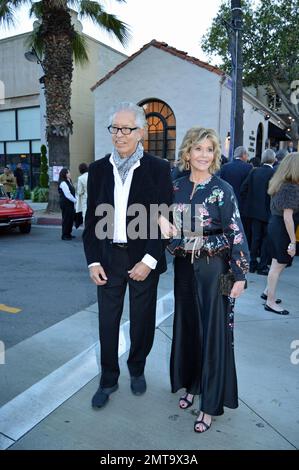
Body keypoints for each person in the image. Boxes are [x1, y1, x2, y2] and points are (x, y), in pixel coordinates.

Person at [83, 102, 173, 409]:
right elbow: (92, 222)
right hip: (108, 259)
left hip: (142, 260)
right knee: (107, 322)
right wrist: (93, 261)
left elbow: (163, 220)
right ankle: (108, 380)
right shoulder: (97, 170)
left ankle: (137, 370)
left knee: (142, 321)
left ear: (141, 133)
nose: (119, 135)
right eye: (115, 129)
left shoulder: (159, 170)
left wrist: (148, 262)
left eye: (127, 129)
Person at [161, 127, 249, 433]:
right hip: (185, 267)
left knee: (214, 332)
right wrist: (163, 224)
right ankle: (192, 384)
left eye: (209, 150)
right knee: (189, 327)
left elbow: (236, 231)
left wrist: (240, 274)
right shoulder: (175, 187)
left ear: (215, 155)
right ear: (187, 152)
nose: (203, 155)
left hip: (217, 268)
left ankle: (210, 405)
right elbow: (160, 218)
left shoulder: (222, 189)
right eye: (198, 149)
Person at [262, 153, 299, 315]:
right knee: (277, 265)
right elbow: (288, 216)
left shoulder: (280, 183)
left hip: (275, 225)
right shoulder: (290, 187)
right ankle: (270, 301)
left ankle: (267, 292)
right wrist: (293, 241)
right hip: (282, 228)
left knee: (277, 263)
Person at [241, 149, 276, 275]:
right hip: (268, 212)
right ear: (273, 159)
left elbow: (243, 189)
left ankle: (252, 263)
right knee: (266, 239)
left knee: (255, 238)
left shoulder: (254, 171)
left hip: (254, 212)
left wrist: (250, 203)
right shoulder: (274, 173)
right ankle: (262, 266)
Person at [220, 146, 252, 245]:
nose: (247, 157)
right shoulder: (248, 167)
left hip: (227, 201)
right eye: (247, 155)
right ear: (243, 155)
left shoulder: (225, 167)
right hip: (242, 203)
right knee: (240, 227)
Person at [58, 168, 77, 240]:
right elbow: (67, 194)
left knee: (70, 219)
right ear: (65, 174)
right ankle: (65, 235)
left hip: (70, 203)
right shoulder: (63, 183)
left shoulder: (69, 181)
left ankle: (68, 233)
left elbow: (73, 192)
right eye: (68, 173)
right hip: (65, 203)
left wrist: (75, 200)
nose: (70, 174)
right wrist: (76, 201)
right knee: (66, 219)